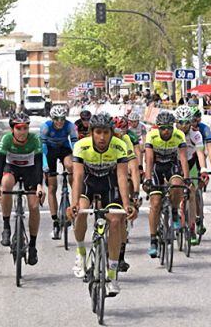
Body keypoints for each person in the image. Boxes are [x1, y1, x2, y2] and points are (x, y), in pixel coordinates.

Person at [67, 113, 137, 295]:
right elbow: (78, 176)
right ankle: (81, 253)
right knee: (81, 211)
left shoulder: (119, 146)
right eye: (98, 132)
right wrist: (73, 203)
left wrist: (127, 204)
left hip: (109, 185)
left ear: (111, 133)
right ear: (91, 133)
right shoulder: (81, 146)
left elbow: (122, 176)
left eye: (106, 132)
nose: (102, 137)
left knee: (115, 221)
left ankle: (112, 275)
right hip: (88, 184)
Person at [0, 113, 44, 266]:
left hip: (30, 170)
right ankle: (6, 227)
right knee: (6, 183)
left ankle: (33, 246)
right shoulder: (6, 139)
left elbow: (39, 165)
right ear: (12, 129)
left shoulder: (35, 140)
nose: (23, 132)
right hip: (12, 168)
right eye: (19, 128)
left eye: (25, 128)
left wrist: (40, 185)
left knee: (34, 206)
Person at [143, 111, 191, 257]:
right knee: (156, 203)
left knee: (177, 184)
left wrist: (187, 177)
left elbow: (183, 158)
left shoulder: (179, 135)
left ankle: (175, 212)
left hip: (171, 165)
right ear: (158, 127)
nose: (166, 131)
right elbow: (149, 158)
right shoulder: (151, 135)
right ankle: (153, 240)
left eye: (169, 128)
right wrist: (148, 178)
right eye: (163, 128)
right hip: (156, 167)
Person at [41, 105, 78, 240]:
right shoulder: (45, 127)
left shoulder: (70, 126)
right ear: (52, 118)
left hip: (64, 148)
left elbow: (75, 145)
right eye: (57, 119)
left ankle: (73, 193)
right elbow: (43, 149)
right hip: (49, 151)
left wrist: (77, 161)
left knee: (70, 165)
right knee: (52, 186)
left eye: (62, 119)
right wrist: (45, 165)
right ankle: (55, 221)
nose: (60, 122)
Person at [175, 105, 211, 242]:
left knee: (192, 192)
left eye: (186, 122)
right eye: (180, 122)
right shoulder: (173, 133)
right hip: (176, 163)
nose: (183, 126)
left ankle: (191, 226)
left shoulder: (196, 134)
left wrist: (203, 170)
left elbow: (200, 153)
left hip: (191, 163)